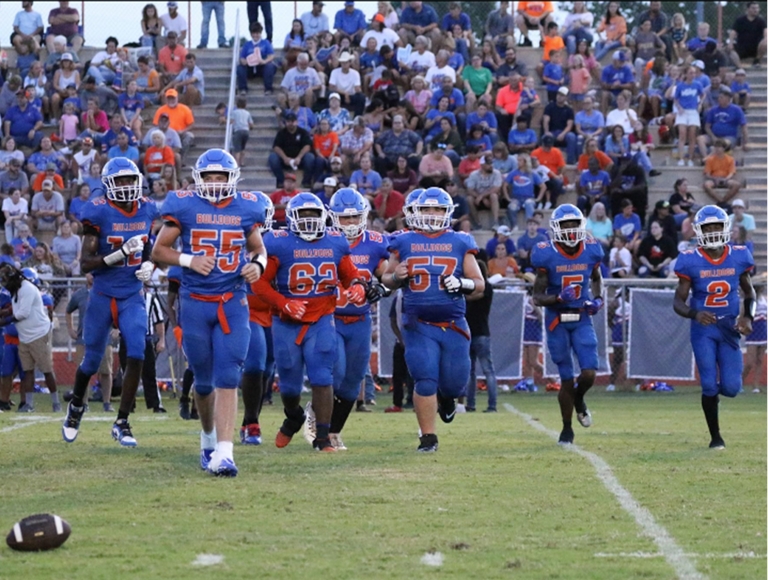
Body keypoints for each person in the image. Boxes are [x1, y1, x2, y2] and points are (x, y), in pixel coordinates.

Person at [152, 149, 267, 476]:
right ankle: (207, 436)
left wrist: (257, 265)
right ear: (198, 179)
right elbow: (158, 250)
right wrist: (189, 260)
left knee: (229, 374)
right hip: (196, 302)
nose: (215, 184)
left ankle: (225, 453)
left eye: (221, 177)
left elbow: (259, 248)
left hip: (232, 300)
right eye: (209, 177)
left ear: (233, 179)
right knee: (203, 382)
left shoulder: (246, 206)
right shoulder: (185, 205)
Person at [251, 192, 366, 452]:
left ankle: (322, 437)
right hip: (286, 321)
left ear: (324, 217)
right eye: (303, 215)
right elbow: (259, 283)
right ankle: (294, 416)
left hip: (322, 318)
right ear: (291, 218)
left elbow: (351, 274)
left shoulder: (336, 241)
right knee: (290, 385)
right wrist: (283, 302)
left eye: (313, 215)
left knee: (322, 376)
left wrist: (357, 285)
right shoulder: (278, 243)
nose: (309, 221)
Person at [61, 158, 158, 447]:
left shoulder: (148, 208)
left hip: (131, 294)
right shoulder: (98, 211)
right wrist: (117, 256)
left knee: (138, 351)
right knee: (91, 360)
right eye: (121, 181)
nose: (127, 186)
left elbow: (151, 246)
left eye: (131, 180)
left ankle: (122, 422)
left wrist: (151, 265)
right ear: (108, 185)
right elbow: (85, 265)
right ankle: (76, 405)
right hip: (102, 294)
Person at [382, 187, 484, 452]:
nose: (432, 214)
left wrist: (460, 283)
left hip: (453, 324)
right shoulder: (403, 241)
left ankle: (447, 399)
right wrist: (396, 277)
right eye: (426, 208)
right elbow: (387, 279)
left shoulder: (460, 241)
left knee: (453, 383)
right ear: (415, 211)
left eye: (438, 209)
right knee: (424, 378)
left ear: (447, 212)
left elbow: (480, 285)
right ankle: (428, 438)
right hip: (418, 323)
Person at [300, 188, 389, 449]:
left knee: (352, 385)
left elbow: (386, 273)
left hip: (361, 320)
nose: (350, 223)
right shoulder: (320, 239)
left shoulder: (375, 241)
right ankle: (319, 423)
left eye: (354, 217)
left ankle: (334, 432)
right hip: (331, 318)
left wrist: (383, 285)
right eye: (344, 218)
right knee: (334, 375)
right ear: (332, 217)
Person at [674, 205, 755, 449]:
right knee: (709, 384)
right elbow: (678, 301)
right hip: (704, 330)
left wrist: (748, 317)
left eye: (716, 227)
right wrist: (695, 313)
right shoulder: (690, 260)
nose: (711, 232)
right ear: (698, 230)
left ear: (726, 228)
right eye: (706, 227)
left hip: (729, 328)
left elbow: (749, 291)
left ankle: (713, 400)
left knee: (731, 388)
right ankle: (715, 437)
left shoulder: (739, 255)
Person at [532, 204, 604, 445]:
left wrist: (599, 299)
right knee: (565, 378)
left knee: (589, 372)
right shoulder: (546, 254)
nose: (571, 229)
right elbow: (537, 297)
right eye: (566, 225)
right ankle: (566, 428)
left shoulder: (591, 250)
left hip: (582, 317)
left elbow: (596, 277)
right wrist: (558, 298)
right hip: (557, 320)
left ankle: (580, 399)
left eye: (574, 224)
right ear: (556, 228)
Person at [0, 265, 57, 413]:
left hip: (38, 334)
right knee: (27, 370)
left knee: (46, 370)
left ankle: (56, 403)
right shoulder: (16, 290)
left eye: (6, 280)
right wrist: (5, 312)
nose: (5, 283)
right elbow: (15, 309)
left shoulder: (27, 288)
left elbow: (22, 313)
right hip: (24, 336)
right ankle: (28, 404)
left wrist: (4, 320)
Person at [66, 273, 114, 413]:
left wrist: (116, 328)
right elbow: (68, 311)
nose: (93, 275)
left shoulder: (108, 291)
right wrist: (70, 329)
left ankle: (107, 402)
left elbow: (116, 310)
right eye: (90, 273)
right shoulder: (79, 294)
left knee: (106, 371)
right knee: (83, 371)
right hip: (84, 339)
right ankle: (83, 402)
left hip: (104, 338)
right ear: (85, 275)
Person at [727, 1, 767, 68]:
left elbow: (766, 31)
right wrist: (730, 43)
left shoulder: (761, 20)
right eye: (753, 8)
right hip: (742, 47)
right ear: (748, 9)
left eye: (757, 8)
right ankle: (739, 67)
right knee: (728, 50)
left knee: (766, 43)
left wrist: (766, 39)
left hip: (756, 48)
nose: (756, 10)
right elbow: (733, 32)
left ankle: (756, 61)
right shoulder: (740, 20)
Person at [703, 140, 741, 206]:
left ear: (724, 148)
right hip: (714, 179)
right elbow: (707, 174)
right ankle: (720, 200)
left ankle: (724, 200)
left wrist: (725, 179)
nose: (717, 149)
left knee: (736, 185)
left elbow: (731, 173)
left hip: (726, 179)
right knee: (706, 185)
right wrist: (715, 179)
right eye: (716, 147)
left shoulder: (730, 159)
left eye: (719, 147)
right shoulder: (710, 160)